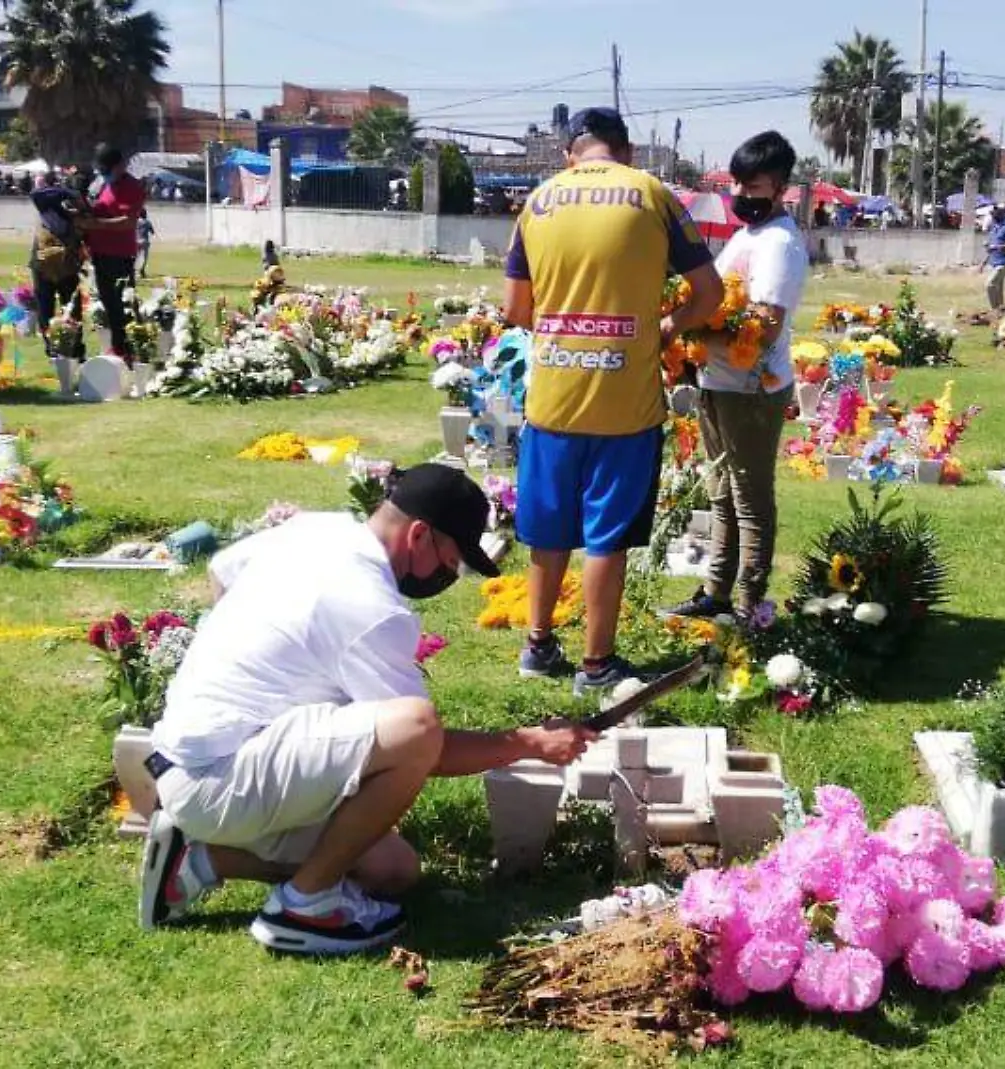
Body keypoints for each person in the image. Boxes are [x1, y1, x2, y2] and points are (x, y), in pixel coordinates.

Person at [140, 465, 597, 953]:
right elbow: (425, 748)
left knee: (391, 871)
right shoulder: (371, 607)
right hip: (219, 774)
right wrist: (530, 743)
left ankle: (199, 860)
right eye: (451, 561)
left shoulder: (319, 527)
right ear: (419, 534)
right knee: (415, 726)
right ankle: (303, 908)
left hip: (197, 760)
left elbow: (221, 570)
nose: (448, 576)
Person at [502, 106, 721, 694]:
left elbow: (516, 311)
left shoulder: (539, 201)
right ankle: (595, 666)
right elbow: (709, 292)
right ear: (624, 151)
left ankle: (538, 645)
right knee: (607, 537)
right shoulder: (652, 194)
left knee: (548, 531)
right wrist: (667, 329)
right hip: (625, 400)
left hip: (553, 394)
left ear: (571, 154)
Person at [666, 131, 808, 623]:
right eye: (738, 185)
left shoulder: (780, 245)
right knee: (720, 491)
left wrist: (693, 331)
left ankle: (749, 603)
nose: (743, 196)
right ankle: (716, 593)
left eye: (755, 187)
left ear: (782, 187)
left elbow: (764, 328)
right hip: (717, 380)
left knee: (749, 497)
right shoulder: (748, 237)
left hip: (752, 388)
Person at [80, 143, 145, 360]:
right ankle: (119, 348)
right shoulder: (102, 185)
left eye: (108, 169)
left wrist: (94, 224)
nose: (105, 174)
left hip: (120, 255)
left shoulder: (132, 187)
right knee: (109, 305)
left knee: (123, 305)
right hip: (100, 253)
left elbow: (127, 223)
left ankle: (129, 349)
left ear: (121, 165)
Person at [30, 173, 87, 362]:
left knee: (72, 308)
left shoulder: (81, 214)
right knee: (45, 308)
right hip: (43, 265)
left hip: (68, 267)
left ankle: (75, 346)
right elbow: (36, 194)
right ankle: (51, 347)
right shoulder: (48, 207)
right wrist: (69, 193)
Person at [136, 209, 155, 278]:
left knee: (136, 257)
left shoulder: (136, 221)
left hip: (136, 241)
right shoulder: (147, 222)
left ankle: (134, 271)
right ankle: (142, 270)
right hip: (144, 241)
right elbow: (152, 232)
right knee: (145, 257)